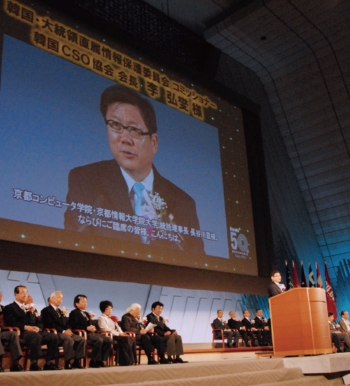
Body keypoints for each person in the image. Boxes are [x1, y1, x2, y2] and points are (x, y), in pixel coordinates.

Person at [64, 84, 205, 254]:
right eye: (115, 125)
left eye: (134, 130)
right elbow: (74, 249)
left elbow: (195, 263)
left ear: (154, 143)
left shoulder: (184, 204)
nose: (124, 139)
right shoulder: (85, 181)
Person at [3, 285, 60, 371]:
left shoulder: (31, 308)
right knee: (36, 336)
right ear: (15, 294)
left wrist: (38, 328)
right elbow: (10, 322)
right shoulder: (9, 308)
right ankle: (34, 363)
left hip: (35, 331)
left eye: (26, 293)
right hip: (22, 333)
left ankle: (48, 362)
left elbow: (39, 321)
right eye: (22, 293)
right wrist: (26, 327)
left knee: (53, 337)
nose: (25, 295)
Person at [41, 291, 85, 369]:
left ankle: (77, 361)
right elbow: (50, 324)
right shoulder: (46, 310)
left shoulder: (61, 311)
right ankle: (68, 362)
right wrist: (63, 331)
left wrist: (68, 329)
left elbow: (67, 323)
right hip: (56, 333)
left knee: (81, 339)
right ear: (52, 298)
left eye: (61, 298)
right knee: (68, 339)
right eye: (58, 298)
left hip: (65, 332)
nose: (60, 300)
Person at [68, 294, 112, 368]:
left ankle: (101, 360)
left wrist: (93, 327)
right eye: (83, 302)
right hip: (83, 334)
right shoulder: (74, 313)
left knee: (108, 340)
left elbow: (90, 324)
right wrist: (86, 328)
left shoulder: (87, 314)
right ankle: (94, 360)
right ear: (76, 303)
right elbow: (74, 326)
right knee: (99, 340)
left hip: (91, 333)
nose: (85, 303)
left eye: (86, 302)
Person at [98, 300, 136, 366]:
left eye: (111, 308)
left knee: (130, 338)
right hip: (110, 335)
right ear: (105, 309)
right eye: (109, 309)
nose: (111, 310)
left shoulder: (112, 318)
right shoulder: (101, 318)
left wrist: (122, 333)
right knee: (125, 340)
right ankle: (126, 361)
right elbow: (106, 329)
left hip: (117, 335)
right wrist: (119, 334)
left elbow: (118, 327)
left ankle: (131, 360)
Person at [0, 291, 24, 372]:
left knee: (13, 334)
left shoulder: (3, 308)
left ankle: (15, 363)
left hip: (1, 332)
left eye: (0, 296)